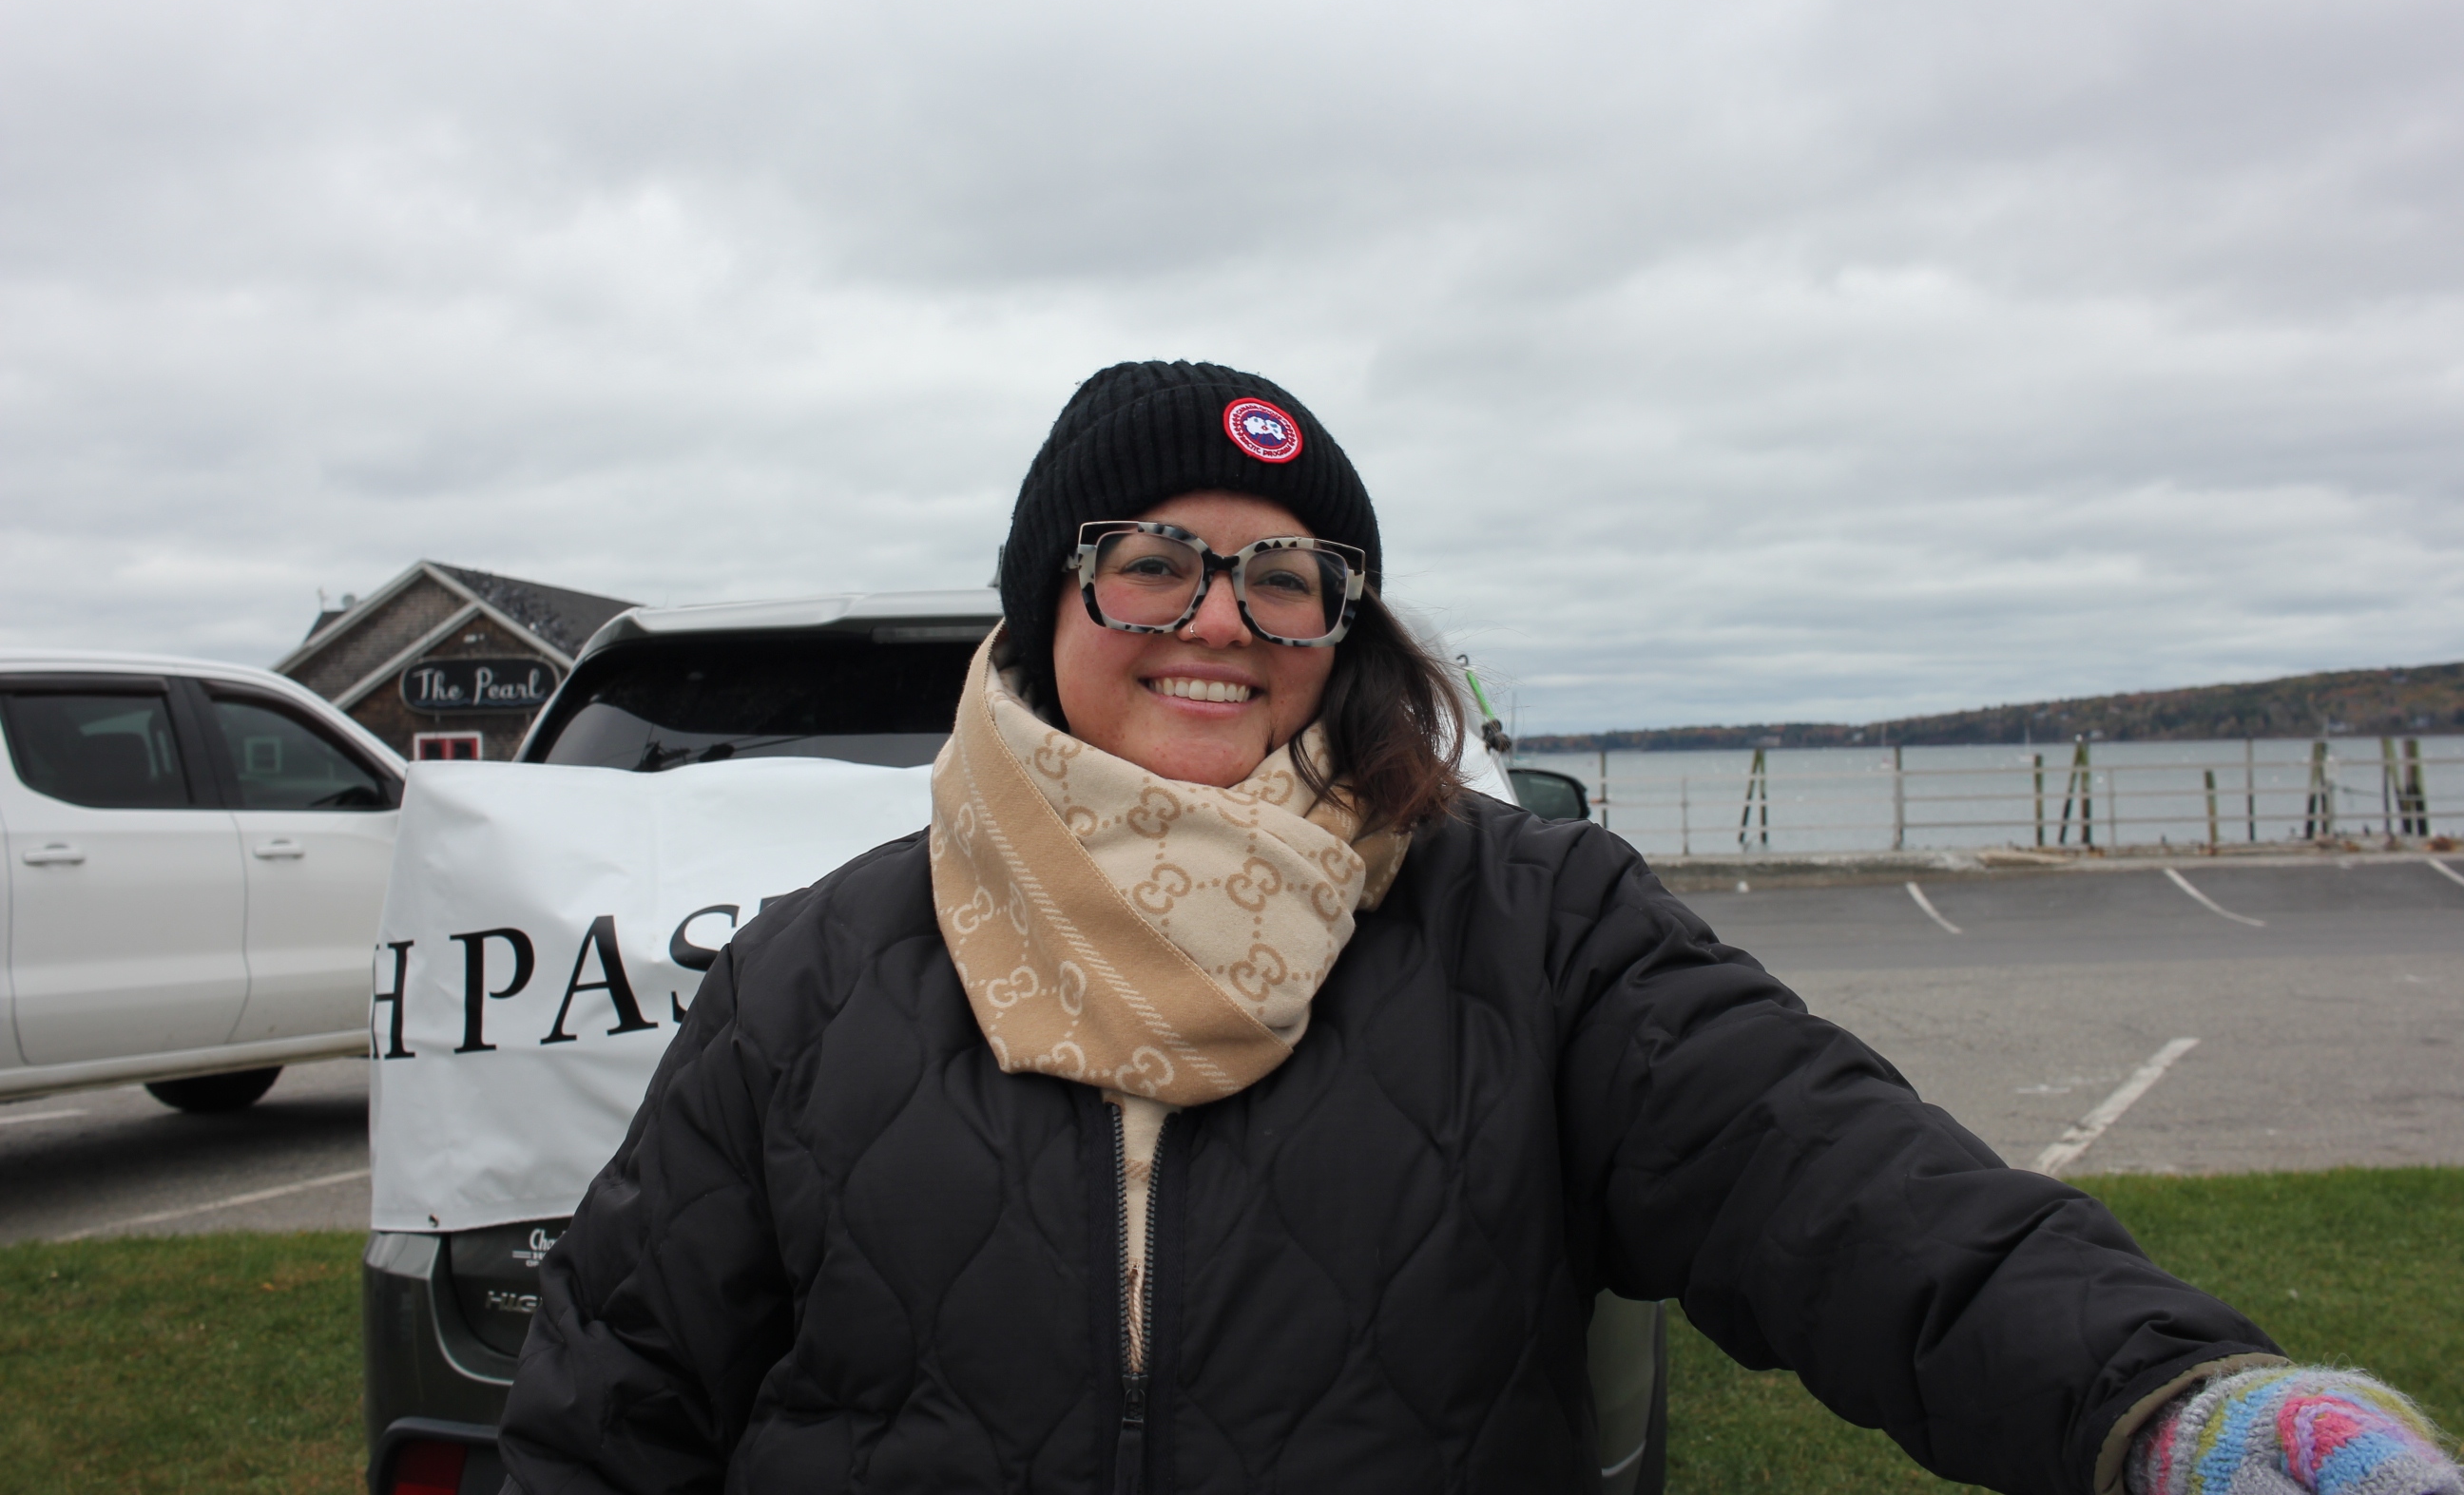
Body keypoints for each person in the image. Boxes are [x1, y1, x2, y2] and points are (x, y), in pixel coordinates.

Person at [498, 361, 2458, 1495]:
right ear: (1042, 599)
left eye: (1291, 578)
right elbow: (617, 1399)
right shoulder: (823, 972)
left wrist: (2170, 1402)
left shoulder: (1529, 925)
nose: (1224, 619)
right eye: (1156, 559)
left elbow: (1853, 1190)